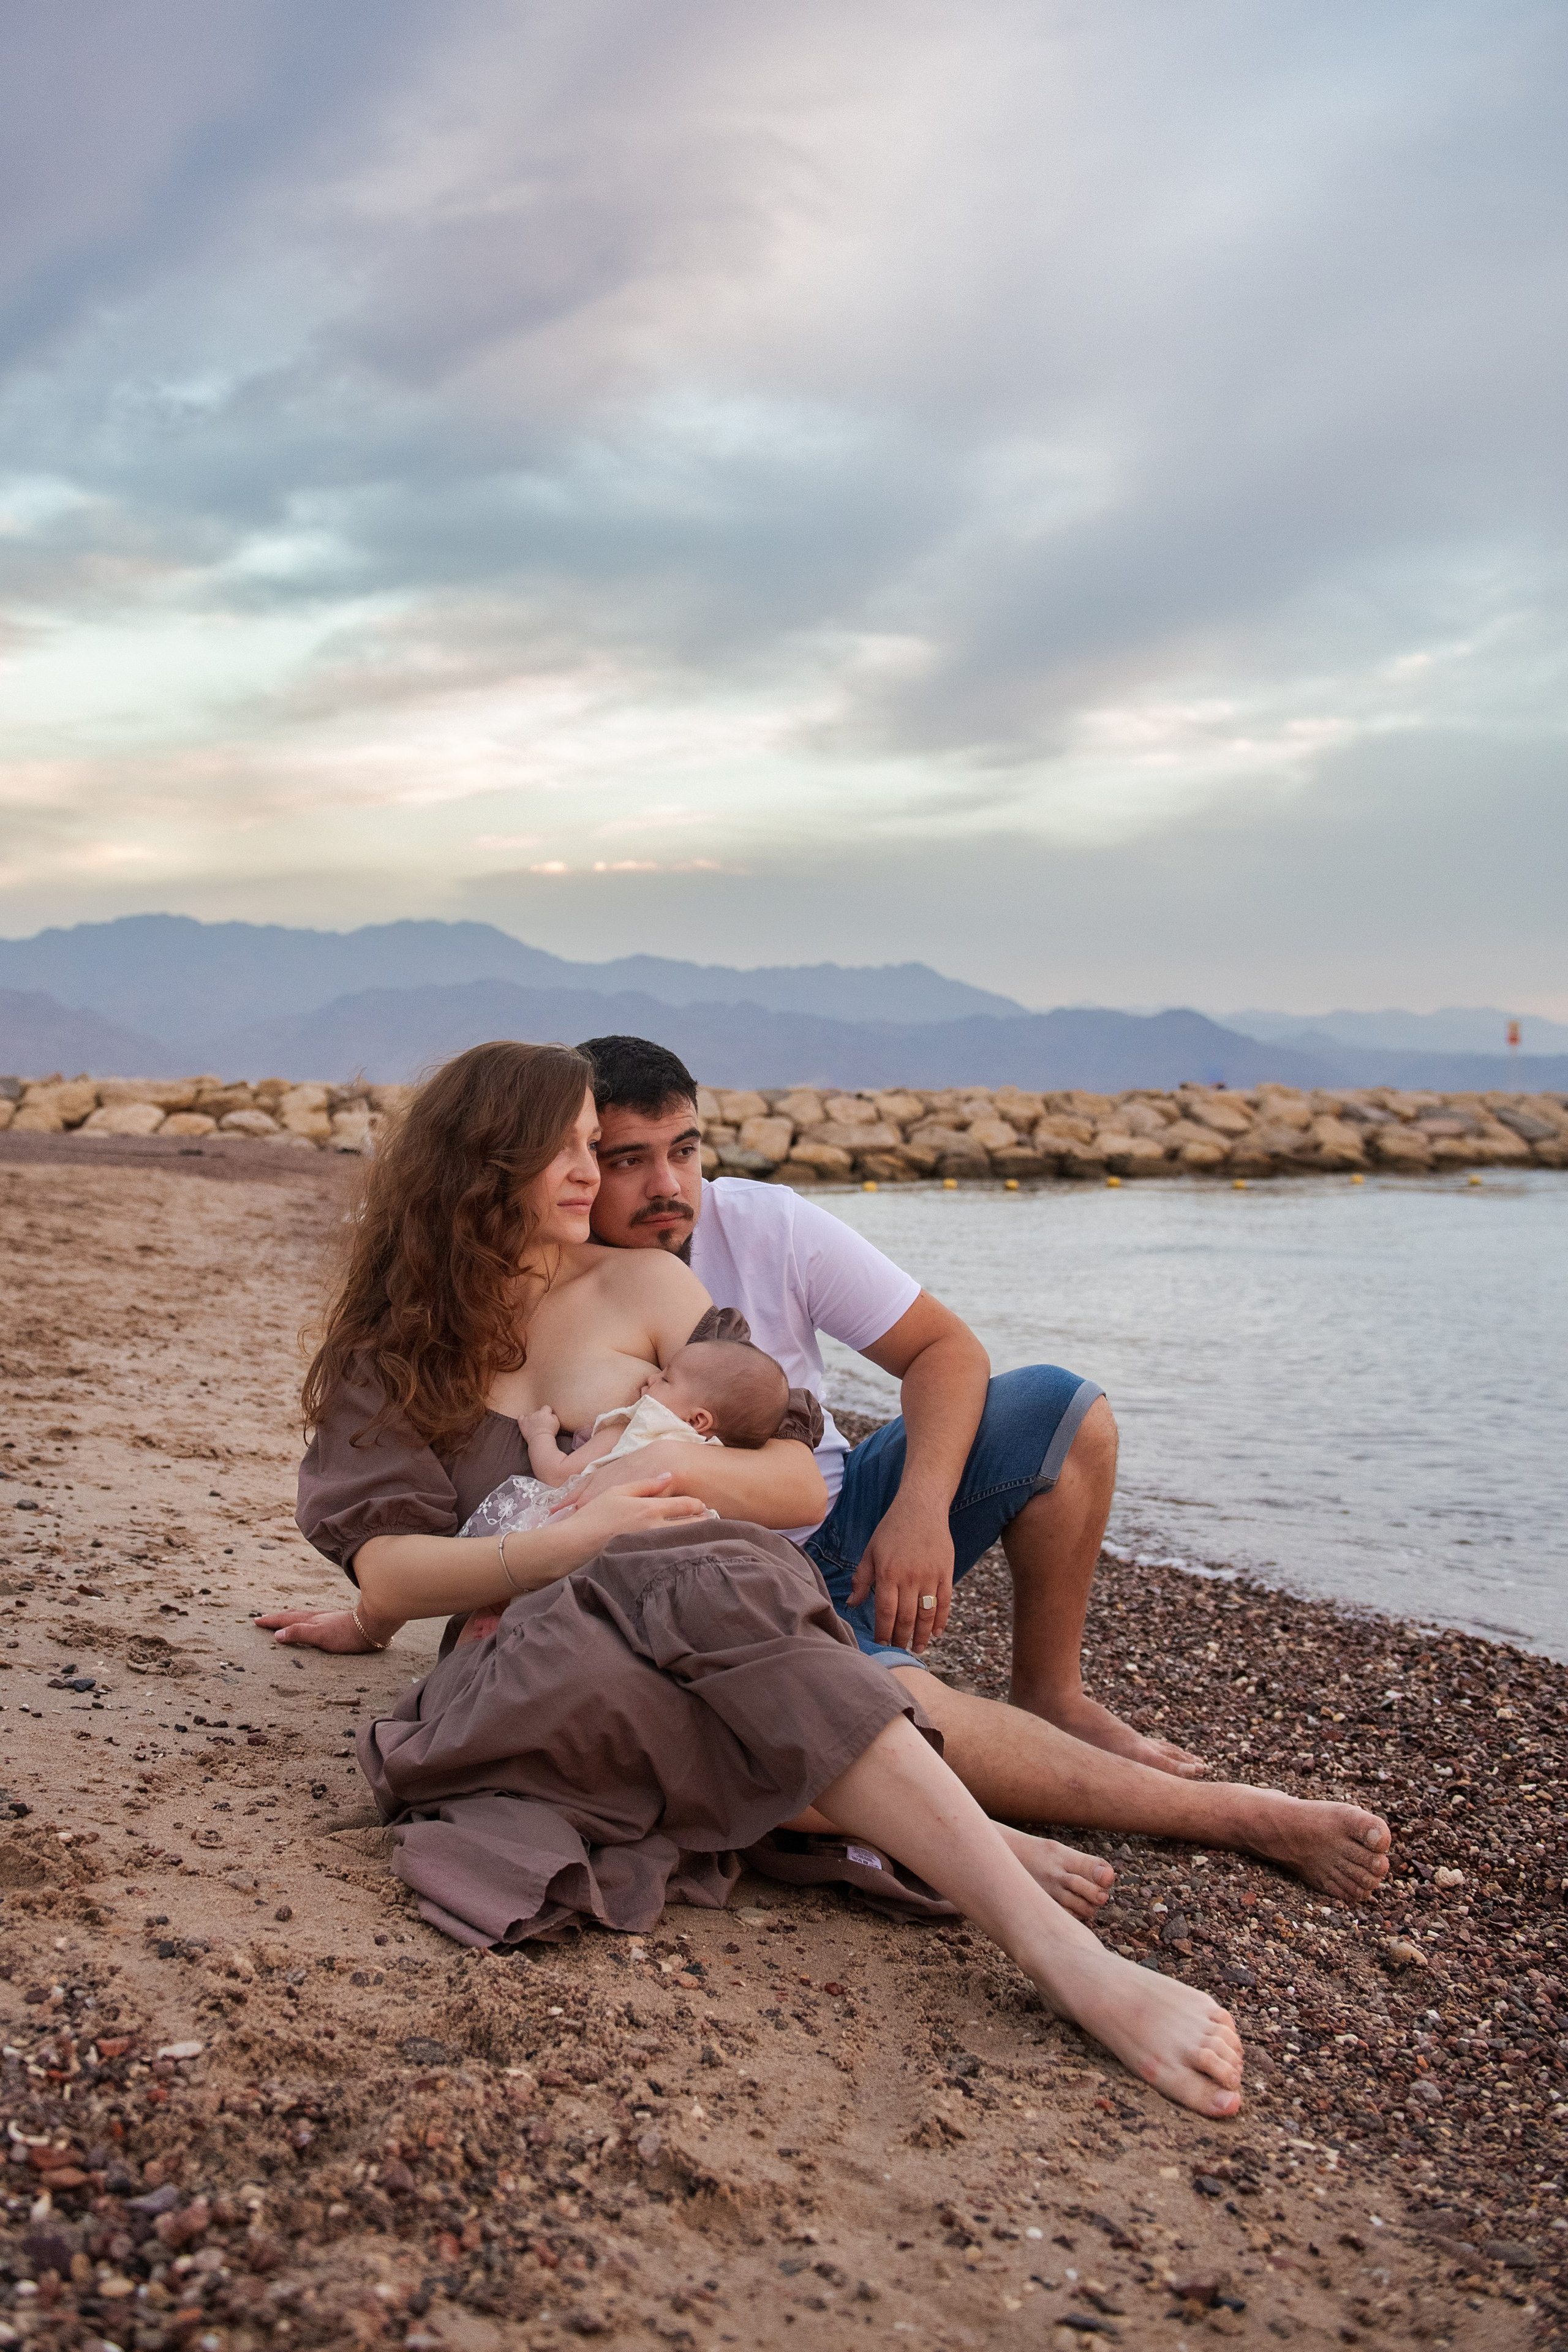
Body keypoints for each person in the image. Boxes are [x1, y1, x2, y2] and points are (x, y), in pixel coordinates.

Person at [276, 1036, 1248, 2117]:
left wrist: (659, 1475)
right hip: (529, 1646)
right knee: (718, 1600)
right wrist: (568, 1543)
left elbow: (791, 1481)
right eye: (572, 1151)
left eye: (597, 1147)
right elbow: (390, 1577)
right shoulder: (392, 1352)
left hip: (710, 1593)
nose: (594, 1177)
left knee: (710, 1574)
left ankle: (1054, 1950)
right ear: (481, 1162)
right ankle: (920, 1831)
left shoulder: (649, 1282)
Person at [558, 1033, 1393, 1910]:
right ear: (577, 1161)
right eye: (630, 1161)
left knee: (1060, 1410)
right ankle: (1236, 1816)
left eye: (685, 1150)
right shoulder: (557, 1284)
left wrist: (919, 1510)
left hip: (851, 1516)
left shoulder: (765, 1223)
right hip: (730, 1588)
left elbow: (945, 1349)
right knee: (890, 1714)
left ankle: (1051, 1694)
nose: (669, 1186)